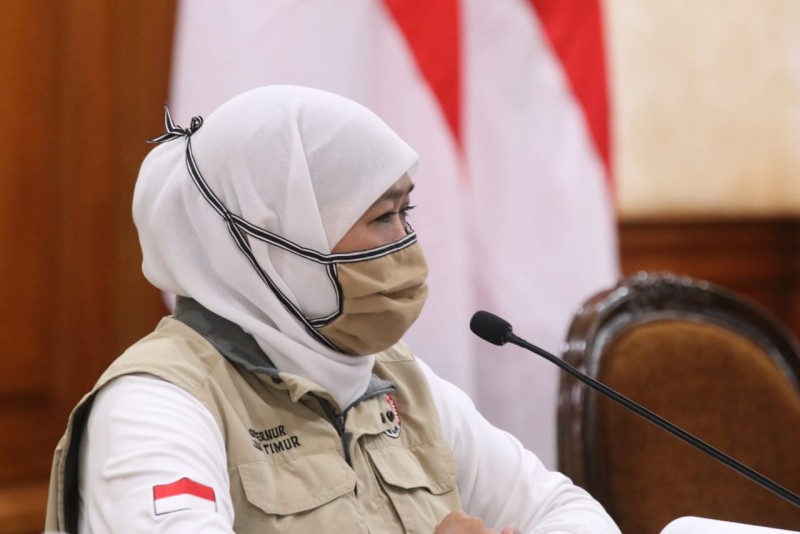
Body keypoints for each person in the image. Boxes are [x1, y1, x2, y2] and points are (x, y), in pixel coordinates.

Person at [45, 86, 620, 533]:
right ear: (277, 242)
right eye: (381, 218)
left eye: (406, 212)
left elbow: (564, 509)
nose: (407, 245)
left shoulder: (396, 379)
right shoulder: (155, 405)